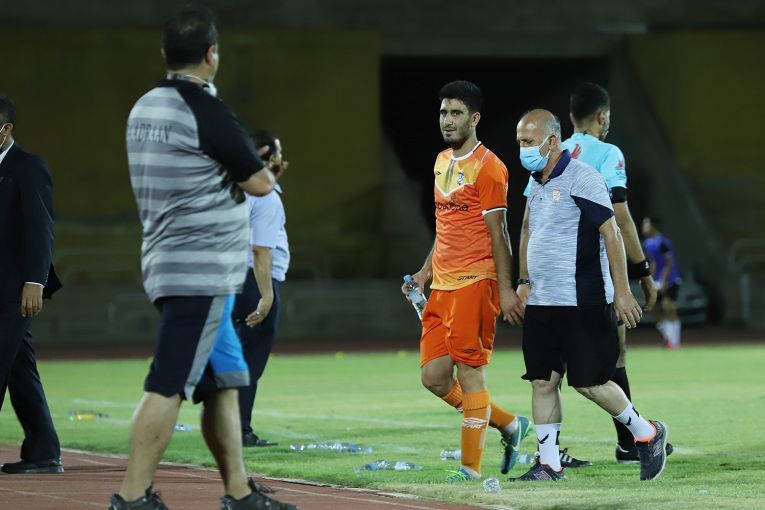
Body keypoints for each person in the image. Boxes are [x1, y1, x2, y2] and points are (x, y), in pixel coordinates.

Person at [114, 7, 296, 510]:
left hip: (167, 256)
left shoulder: (143, 107)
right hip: (202, 267)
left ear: (164, 53)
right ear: (212, 54)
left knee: (226, 383)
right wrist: (268, 172)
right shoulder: (203, 107)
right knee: (168, 382)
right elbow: (258, 181)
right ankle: (130, 496)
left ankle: (239, 491)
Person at [513, 109, 668, 482]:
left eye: (528, 142)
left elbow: (611, 233)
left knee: (590, 382)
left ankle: (647, 432)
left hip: (582, 299)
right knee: (542, 381)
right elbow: (528, 228)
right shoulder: (536, 182)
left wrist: (622, 291)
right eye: (519, 142)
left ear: (552, 141)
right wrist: (523, 280)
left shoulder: (584, 177)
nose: (522, 149)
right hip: (542, 301)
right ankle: (549, 464)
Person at [402, 80, 531, 483]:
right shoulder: (441, 160)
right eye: (443, 112)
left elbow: (499, 233)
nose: (447, 120)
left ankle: (470, 470)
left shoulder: (489, 166)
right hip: (441, 285)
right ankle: (510, 424)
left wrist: (506, 289)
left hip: (476, 281)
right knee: (434, 377)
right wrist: (425, 271)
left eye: (456, 113)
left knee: (471, 375)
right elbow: (445, 227)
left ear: (474, 118)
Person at [0, 94, 63, 475]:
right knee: (20, 372)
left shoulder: (28, 167)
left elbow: (41, 228)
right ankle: (43, 451)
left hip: (13, 288)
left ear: (6, 129)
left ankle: (43, 451)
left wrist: (34, 281)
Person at [233, 130, 290, 448]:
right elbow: (261, 251)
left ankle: (231, 428)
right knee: (251, 359)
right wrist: (267, 295)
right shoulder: (267, 197)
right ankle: (240, 430)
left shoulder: (235, 189)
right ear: (267, 156)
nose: (282, 159)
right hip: (255, 281)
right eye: (277, 153)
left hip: (234, 278)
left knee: (237, 355)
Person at [641, 216, 682, 349]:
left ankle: (675, 342)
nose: (643, 228)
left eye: (646, 224)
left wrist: (663, 281)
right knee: (653, 308)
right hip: (657, 280)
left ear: (653, 226)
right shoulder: (647, 243)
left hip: (671, 279)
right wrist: (650, 279)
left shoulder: (663, 242)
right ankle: (668, 337)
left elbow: (669, 263)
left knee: (668, 307)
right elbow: (653, 263)